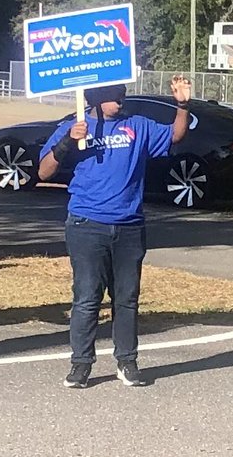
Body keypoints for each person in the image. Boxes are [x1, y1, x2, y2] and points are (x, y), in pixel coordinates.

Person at [38, 77, 192, 389]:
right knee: (87, 297)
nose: (120, 100)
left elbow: (175, 135)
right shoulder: (74, 127)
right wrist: (68, 141)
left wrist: (182, 105)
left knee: (126, 298)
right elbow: (43, 171)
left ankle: (127, 361)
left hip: (129, 225)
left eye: (122, 94)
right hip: (86, 224)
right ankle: (81, 364)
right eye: (113, 95)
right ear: (95, 97)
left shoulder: (137, 126)